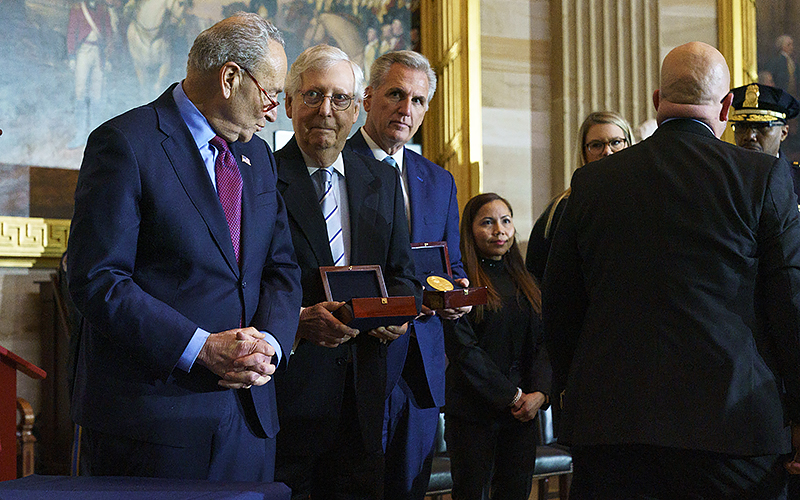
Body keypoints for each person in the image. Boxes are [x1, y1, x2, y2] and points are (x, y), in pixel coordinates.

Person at [543, 41, 800, 499]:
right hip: (732, 431)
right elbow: (790, 304)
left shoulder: (592, 182)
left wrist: (577, 394)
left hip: (613, 430)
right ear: (725, 107)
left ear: (658, 101)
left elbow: (561, 306)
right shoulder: (761, 177)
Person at [66, 13, 302, 481]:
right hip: (154, 422)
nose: (275, 112)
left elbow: (280, 268)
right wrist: (199, 348)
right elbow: (98, 279)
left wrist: (269, 344)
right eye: (271, 93)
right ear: (231, 78)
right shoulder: (127, 142)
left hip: (250, 417)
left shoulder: (257, 156)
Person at [273, 44, 421, 500]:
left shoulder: (381, 180)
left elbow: (404, 274)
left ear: (357, 109)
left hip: (363, 395)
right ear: (288, 104)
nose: (325, 111)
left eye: (340, 98)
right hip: (288, 395)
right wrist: (296, 319)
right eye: (313, 95)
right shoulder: (261, 179)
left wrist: (397, 312)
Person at [346, 50, 468, 500]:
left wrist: (456, 293)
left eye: (417, 100)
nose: (405, 108)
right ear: (368, 96)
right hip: (361, 359)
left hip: (422, 366)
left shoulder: (438, 180)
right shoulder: (337, 163)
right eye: (396, 94)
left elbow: (450, 266)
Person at [443, 193, 551, 500]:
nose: (499, 230)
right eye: (487, 222)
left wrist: (540, 394)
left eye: (505, 221)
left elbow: (545, 342)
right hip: (474, 412)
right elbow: (464, 350)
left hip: (524, 413)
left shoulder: (527, 280)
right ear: (470, 230)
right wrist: (512, 395)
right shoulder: (460, 284)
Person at [525, 111, 634, 284]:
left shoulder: (641, 201)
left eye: (616, 142)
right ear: (584, 152)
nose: (607, 152)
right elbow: (538, 272)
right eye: (597, 145)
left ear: (629, 144)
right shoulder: (562, 208)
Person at [729, 82, 800, 208]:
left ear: (784, 132)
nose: (750, 136)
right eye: (741, 126)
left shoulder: (797, 181)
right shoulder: (722, 180)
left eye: (762, 126)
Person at [66, 0, 113, 149]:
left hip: (98, 53)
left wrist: (108, 57)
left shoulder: (102, 9)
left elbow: (109, 33)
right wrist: (72, 56)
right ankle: (80, 134)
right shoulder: (78, 7)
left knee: (96, 94)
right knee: (80, 92)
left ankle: (95, 135)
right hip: (83, 52)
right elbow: (72, 31)